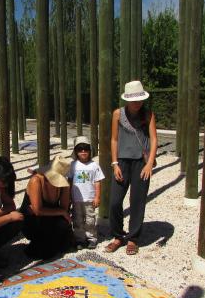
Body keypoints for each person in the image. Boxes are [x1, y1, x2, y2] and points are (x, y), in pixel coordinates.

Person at [105, 80, 158, 255]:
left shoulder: (148, 114)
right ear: (127, 99)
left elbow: (154, 139)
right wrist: (114, 163)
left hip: (141, 163)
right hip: (121, 162)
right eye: (134, 99)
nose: (137, 103)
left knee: (137, 201)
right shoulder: (117, 114)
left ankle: (133, 238)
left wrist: (150, 163)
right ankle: (118, 236)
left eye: (139, 99)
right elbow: (114, 139)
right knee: (114, 201)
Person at [20, 155, 74, 259]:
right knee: (44, 252)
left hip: (49, 218)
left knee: (64, 235)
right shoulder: (36, 180)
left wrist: (62, 212)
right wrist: (61, 212)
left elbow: (64, 208)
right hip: (33, 220)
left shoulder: (64, 185)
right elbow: (38, 210)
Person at [68, 135, 104, 249]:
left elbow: (97, 182)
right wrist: (68, 196)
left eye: (86, 148)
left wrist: (97, 197)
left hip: (89, 198)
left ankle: (91, 238)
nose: (83, 151)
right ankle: (79, 239)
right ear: (76, 151)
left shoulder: (94, 166)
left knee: (90, 220)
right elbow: (69, 181)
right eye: (80, 149)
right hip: (76, 199)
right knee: (77, 220)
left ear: (90, 150)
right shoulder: (73, 165)